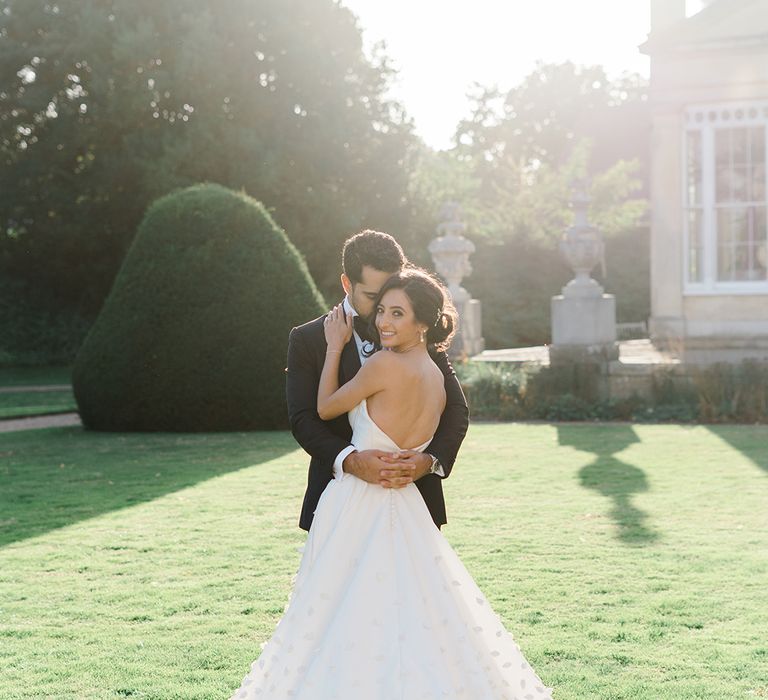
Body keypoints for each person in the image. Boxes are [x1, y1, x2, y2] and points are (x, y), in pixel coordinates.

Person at [229, 267, 554, 699]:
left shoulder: (383, 363)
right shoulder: (435, 377)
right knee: (420, 608)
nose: (383, 321)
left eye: (397, 313)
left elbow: (324, 408)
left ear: (423, 323)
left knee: (338, 610)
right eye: (381, 309)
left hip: (357, 503)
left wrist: (334, 349)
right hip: (408, 504)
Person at [285, 229, 469, 532]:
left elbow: (457, 410)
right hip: (341, 503)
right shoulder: (308, 339)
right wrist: (352, 461)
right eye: (374, 298)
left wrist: (429, 461)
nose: (384, 317)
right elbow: (304, 419)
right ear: (347, 283)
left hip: (415, 502)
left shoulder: (416, 328)